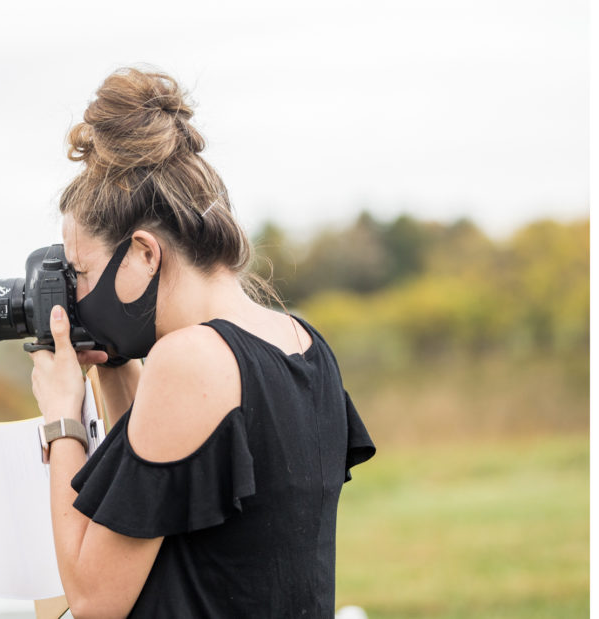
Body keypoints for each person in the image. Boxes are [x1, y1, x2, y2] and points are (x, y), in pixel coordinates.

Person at [28, 67, 376, 617]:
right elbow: (161, 502)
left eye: (82, 271)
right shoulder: (303, 343)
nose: (77, 293)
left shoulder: (189, 358)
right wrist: (114, 365)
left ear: (144, 253)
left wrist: (61, 416)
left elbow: (95, 599)